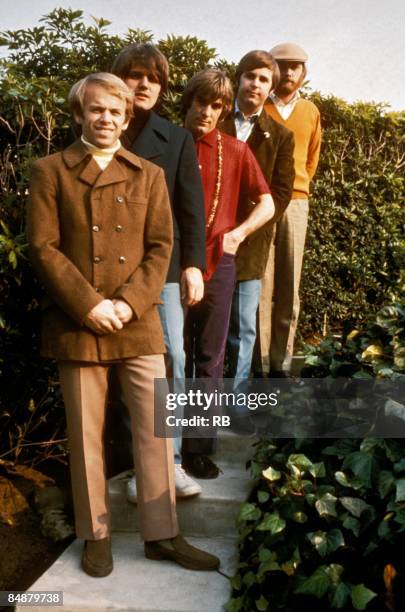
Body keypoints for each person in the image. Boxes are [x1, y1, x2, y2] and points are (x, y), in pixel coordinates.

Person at [27, 72, 219, 576]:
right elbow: (43, 248)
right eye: (96, 110)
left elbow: (161, 248)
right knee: (87, 431)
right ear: (79, 116)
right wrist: (89, 304)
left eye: (115, 111)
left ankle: (163, 535)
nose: (106, 118)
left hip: (137, 321)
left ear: (126, 117)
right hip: (78, 319)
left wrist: (131, 304)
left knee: (156, 428)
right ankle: (96, 535)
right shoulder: (50, 171)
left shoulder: (148, 175)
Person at [111, 43, 206, 501]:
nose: (144, 84)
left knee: (174, 360)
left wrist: (193, 266)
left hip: (164, 269)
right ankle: (138, 468)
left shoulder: (177, 139)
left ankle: (173, 463)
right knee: (127, 369)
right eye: (134, 75)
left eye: (153, 78)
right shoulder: (101, 132)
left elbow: (191, 209)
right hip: (110, 274)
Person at [181, 68, 275, 478]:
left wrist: (238, 233)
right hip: (171, 264)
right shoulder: (170, 143)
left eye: (217, 105)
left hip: (219, 264)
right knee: (169, 357)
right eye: (201, 101)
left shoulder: (236, 150)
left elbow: (267, 203)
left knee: (210, 357)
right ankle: (157, 451)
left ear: (224, 109)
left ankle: (199, 447)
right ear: (188, 101)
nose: (207, 111)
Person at [220, 50, 294, 384]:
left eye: (264, 80)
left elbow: (280, 194)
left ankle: (236, 403)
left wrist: (244, 230)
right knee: (200, 325)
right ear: (239, 79)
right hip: (207, 240)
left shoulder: (281, 137)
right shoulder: (212, 119)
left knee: (243, 327)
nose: (255, 84)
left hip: (250, 243)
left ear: (270, 89)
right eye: (251, 76)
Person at [259, 43, 321, 376]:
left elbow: (311, 159)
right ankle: (261, 366)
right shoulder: (258, 108)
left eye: (296, 66)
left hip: (296, 202)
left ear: (303, 72)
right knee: (261, 284)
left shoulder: (310, 111)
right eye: (283, 66)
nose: (290, 72)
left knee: (289, 285)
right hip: (261, 203)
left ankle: (281, 366)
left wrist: (297, 188)